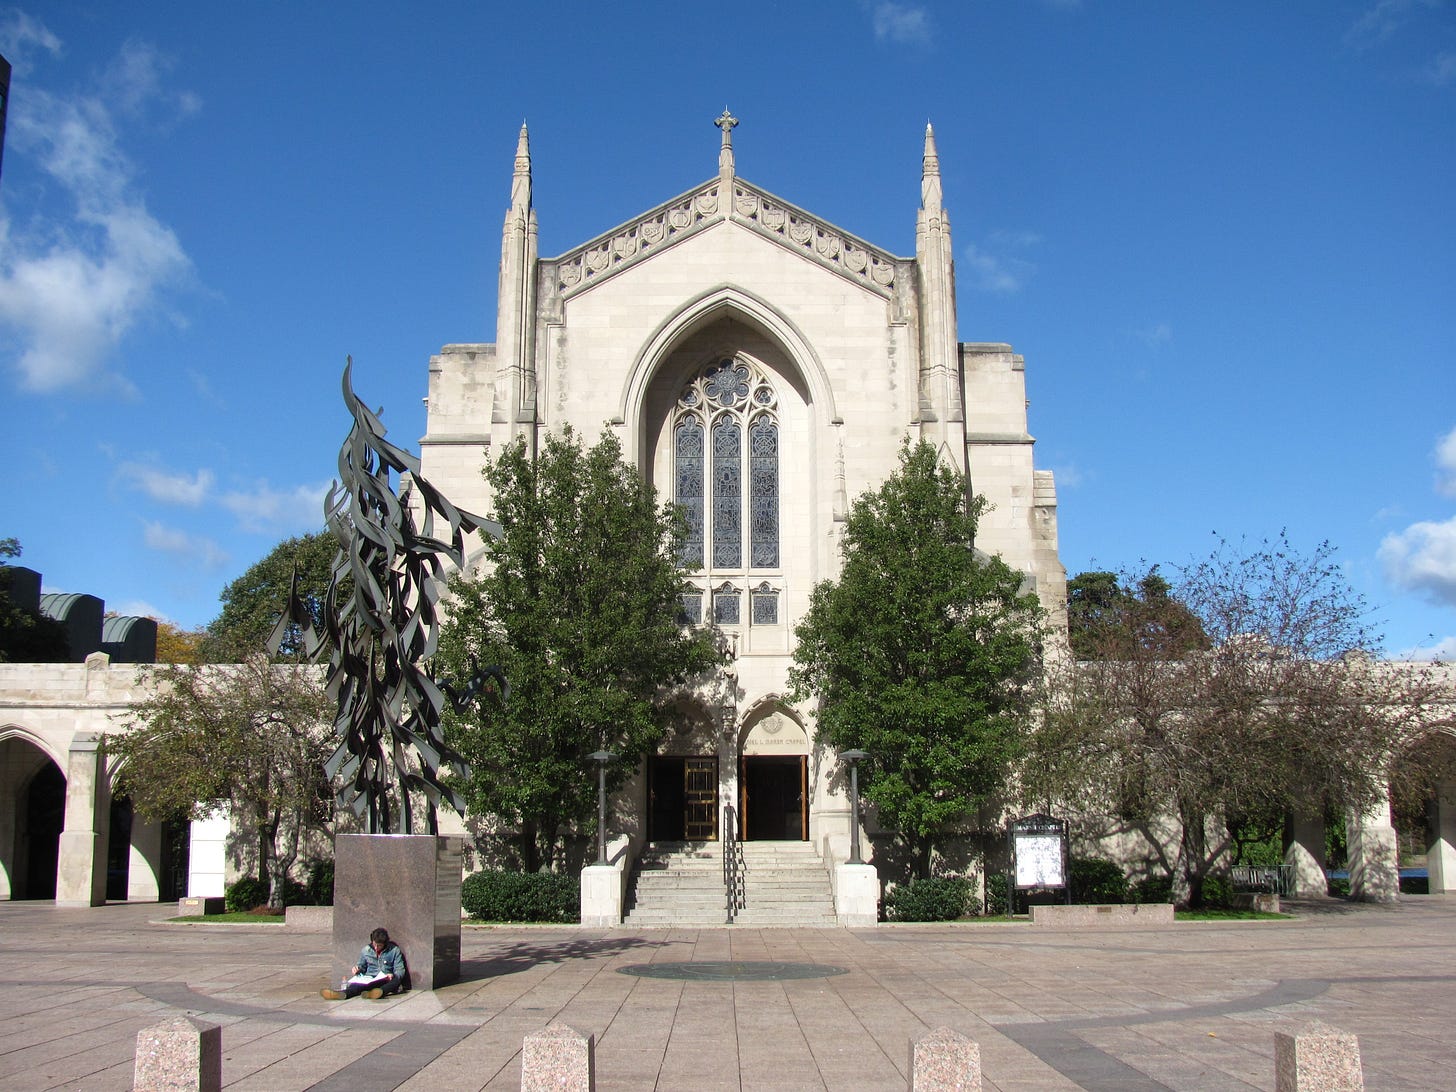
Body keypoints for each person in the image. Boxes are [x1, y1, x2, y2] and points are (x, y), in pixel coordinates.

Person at [321, 926, 407, 1000]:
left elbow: (400, 969)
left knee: (396, 982)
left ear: (385, 943)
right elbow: (361, 966)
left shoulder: (394, 950)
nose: (376, 948)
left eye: (379, 945)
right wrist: (357, 969)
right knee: (356, 985)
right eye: (375, 944)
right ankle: (342, 994)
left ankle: (379, 993)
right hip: (370, 978)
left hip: (385, 979)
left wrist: (392, 975)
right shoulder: (366, 950)